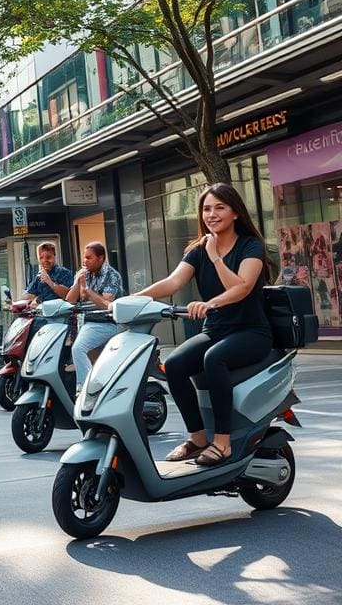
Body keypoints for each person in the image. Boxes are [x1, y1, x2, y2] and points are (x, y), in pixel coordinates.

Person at [136, 183, 272, 467]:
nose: (211, 214)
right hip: (216, 330)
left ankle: (222, 443)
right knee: (174, 364)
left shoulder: (251, 246)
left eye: (219, 207)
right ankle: (198, 438)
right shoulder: (197, 249)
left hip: (251, 331)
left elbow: (242, 288)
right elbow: (173, 282)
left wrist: (215, 263)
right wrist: (133, 298)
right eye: (207, 209)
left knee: (214, 358)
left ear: (235, 212)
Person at [66, 242, 124, 392]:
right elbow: (70, 301)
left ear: (100, 258)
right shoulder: (85, 274)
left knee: (79, 349)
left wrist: (87, 290)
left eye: (88, 258)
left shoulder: (112, 276)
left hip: (109, 322)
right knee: (94, 360)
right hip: (88, 323)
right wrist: (77, 283)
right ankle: (102, 390)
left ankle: (86, 389)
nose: (85, 261)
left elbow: (106, 304)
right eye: (84, 258)